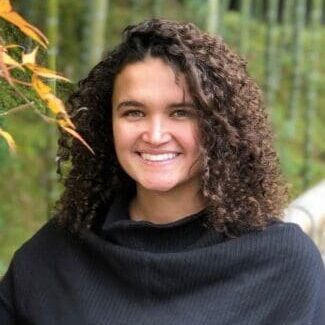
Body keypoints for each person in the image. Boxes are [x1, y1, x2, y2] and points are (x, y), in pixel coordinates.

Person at [0, 18, 324, 324]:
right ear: (106, 124)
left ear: (218, 125)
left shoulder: (283, 265)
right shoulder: (58, 254)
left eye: (181, 112)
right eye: (134, 112)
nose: (155, 136)